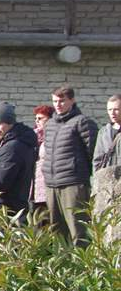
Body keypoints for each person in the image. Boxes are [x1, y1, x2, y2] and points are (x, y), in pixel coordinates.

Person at [42, 85, 99, 246]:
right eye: (55, 101)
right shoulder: (50, 124)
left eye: (62, 101)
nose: (58, 104)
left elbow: (92, 153)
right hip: (51, 184)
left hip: (73, 184)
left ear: (72, 101)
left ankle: (82, 268)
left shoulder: (82, 122)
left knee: (77, 229)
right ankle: (62, 268)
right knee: (56, 232)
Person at [0, 101, 38, 220]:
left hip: (8, 211)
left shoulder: (12, 148)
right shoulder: (7, 143)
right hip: (11, 208)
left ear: (10, 122)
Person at [32, 104, 55, 220]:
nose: (37, 121)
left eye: (40, 118)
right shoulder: (34, 135)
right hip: (34, 184)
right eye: (36, 118)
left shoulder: (53, 136)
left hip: (47, 182)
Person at [93, 94, 121, 170]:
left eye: (116, 109)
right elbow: (97, 160)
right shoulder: (103, 132)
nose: (112, 113)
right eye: (110, 109)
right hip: (109, 179)